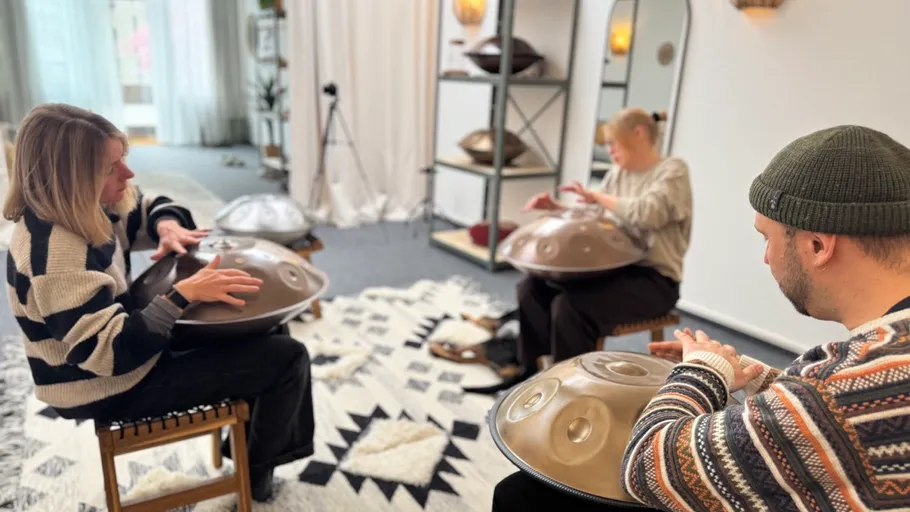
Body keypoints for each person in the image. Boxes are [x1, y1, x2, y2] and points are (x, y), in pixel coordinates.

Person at [492, 125, 910, 510]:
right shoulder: (869, 375)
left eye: (767, 238)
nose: (765, 257)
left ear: (818, 246)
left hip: (650, 279)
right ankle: (527, 365)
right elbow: (830, 413)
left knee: (521, 496)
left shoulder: (832, 401)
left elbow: (647, 466)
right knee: (535, 289)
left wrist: (700, 373)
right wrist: (746, 371)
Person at [3, 104, 314, 502]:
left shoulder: (82, 205)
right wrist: (183, 296)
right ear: (71, 177)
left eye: (123, 160)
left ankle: (249, 448)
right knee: (287, 358)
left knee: (266, 328)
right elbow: (110, 354)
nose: (127, 175)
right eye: (110, 168)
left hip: (125, 347)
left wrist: (167, 224)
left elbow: (143, 205)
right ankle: (256, 472)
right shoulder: (55, 254)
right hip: (107, 384)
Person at [469, 108, 692, 394]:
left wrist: (597, 197)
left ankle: (572, 389)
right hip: (615, 272)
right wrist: (558, 209)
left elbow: (649, 213)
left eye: (613, 143)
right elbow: (598, 216)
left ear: (639, 134)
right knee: (531, 287)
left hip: (655, 282)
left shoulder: (673, 171)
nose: (610, 151)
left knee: (570, 307)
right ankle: (531, 370)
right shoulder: (618, 174)